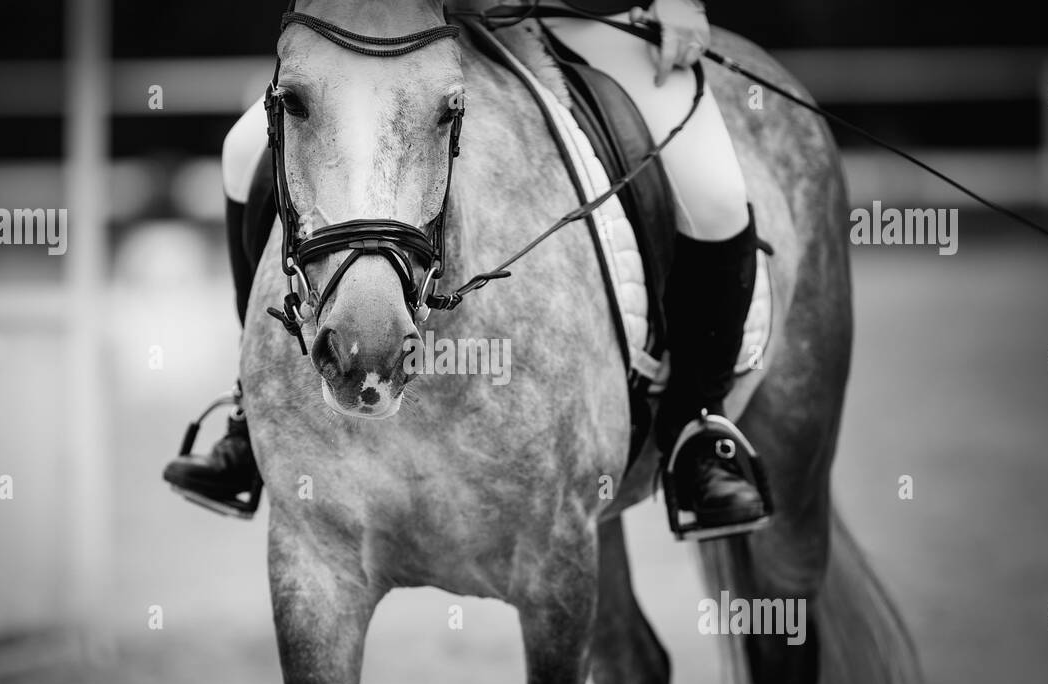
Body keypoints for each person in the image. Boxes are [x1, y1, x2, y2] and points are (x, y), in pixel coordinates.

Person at [163, 0, 769, 538]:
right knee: (244, 149)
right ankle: (250, 416)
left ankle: (697, 431)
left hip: (586, 20)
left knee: (713, 194)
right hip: (405, 33)